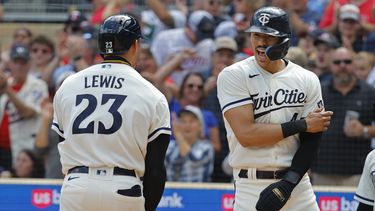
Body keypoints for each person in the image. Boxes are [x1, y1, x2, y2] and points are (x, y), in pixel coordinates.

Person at [216, 6, 333, 211]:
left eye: (268, 36)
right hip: (251, 184)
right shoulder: (234, 75)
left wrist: (288, 183)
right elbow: (247, 135)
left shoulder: (306, 79)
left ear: (284, 40)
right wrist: (303, 124)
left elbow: (312, 138)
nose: (261, 43)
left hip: (297, 185)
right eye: (256, 35)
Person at [51, 14, 171, 211]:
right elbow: (156, 169)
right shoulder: (151, 93)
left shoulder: (69, 85)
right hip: (124, 188)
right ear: (135, 46)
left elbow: (62, 143)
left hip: (77, 186)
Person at [311, 47, 375, 187]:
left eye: (347, 61)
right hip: (323, 171)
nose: (342, 66)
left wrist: (364, 130)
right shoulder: (319, 91)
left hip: (358, 173)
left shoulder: (370, 92)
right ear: (330, 65)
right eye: (337, 62)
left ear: (354, 64)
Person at [165, 105, 215, 182]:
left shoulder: (207, 147)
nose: (187, 125)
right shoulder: (170, 146)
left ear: (200, 126)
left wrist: (178, 136)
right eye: (183, 121)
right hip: (174, 193)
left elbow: (194, 160)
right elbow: (170, 173)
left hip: (200, 193)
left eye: (191, 121)